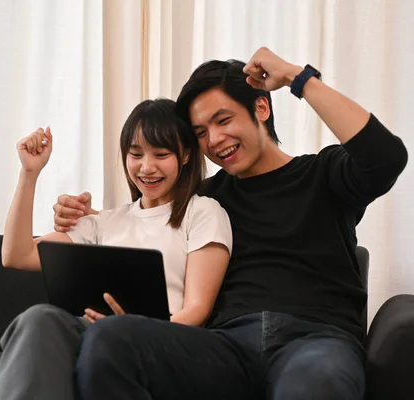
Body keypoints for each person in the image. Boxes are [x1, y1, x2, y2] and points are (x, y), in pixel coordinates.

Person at [52, 47, 408, 399]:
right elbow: (145, 218)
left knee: (314, 384)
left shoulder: (323, 175)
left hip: (316, 342)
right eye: (201, 132)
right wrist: (85, 215)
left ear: (261, 107)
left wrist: (297, 78)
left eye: (223, 120)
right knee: (109, 340)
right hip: (225, 347)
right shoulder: (203, 201)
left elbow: (386, 156)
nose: (215, 140)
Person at [0, 98, 233, 400]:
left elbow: (197, 310)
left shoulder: (203, 213)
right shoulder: (104, 222)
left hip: (158, 338)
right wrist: (29, 174)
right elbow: (16, 256)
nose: (147, 167)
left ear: (185, 155)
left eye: (161, 154)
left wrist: (129, 326)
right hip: (90, 329)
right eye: (136, 154)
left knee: (108, 338)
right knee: (38, 318)